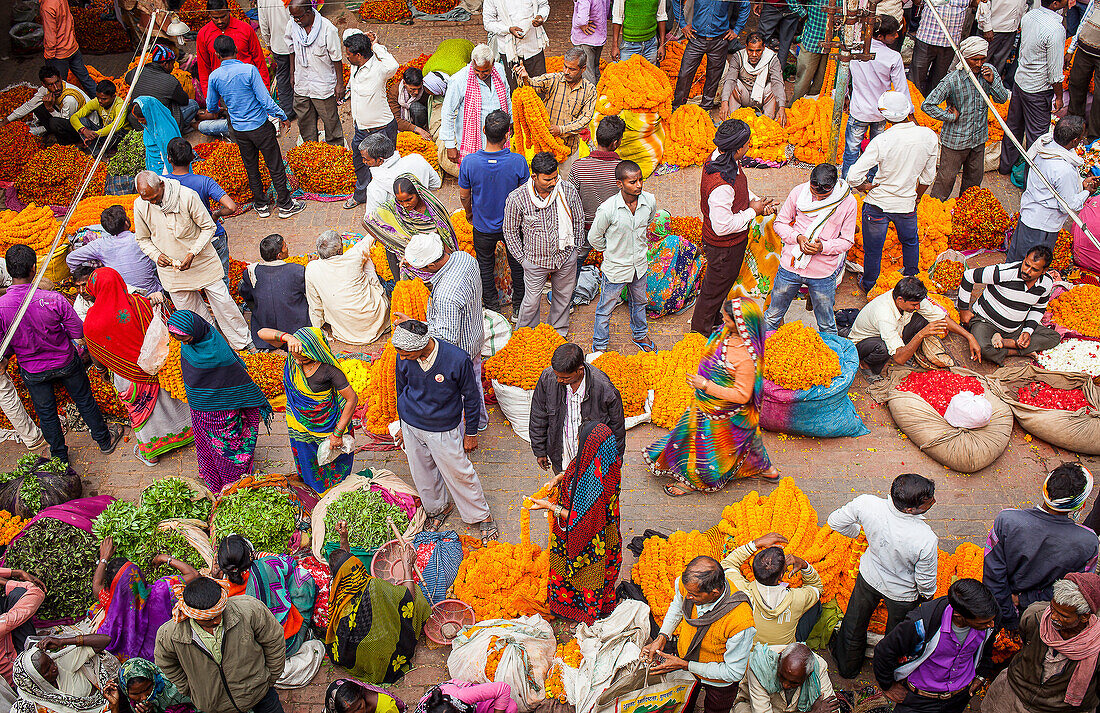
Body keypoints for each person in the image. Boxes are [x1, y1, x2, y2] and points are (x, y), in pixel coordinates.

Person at [0, 245, 122, 462]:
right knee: (84, 400)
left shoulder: (1, 307)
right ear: (34, 269)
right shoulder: (53, 299)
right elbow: (77, 332)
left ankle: (59, 456)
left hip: (32, 370)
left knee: (46, 413)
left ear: (9, 272)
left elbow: (4, 344)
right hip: (65, 362)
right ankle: (104, 440)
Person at [648, 299, 776, 495]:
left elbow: (742, 396)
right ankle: (765, 469)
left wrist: (706, 385)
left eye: (727, 319)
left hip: (725, 412)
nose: (723, 320)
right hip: (707, 403)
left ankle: (694, 480)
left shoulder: (746, 359)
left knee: (707, 446)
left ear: (741, 324)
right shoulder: (729, 333)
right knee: (747, 439)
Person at [392, 320, 498, 540]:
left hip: (442, 428)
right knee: (423, 474)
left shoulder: (456, 359)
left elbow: (472, 397)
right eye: (400, 353)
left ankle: (481, 515)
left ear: (421, 346)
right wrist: (402, 424)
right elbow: (400, 389)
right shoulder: (403, 356)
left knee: (459, 472)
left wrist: (470, 432)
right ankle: (439, 508)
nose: (402, 358)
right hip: (411, 425)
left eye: (405, 354)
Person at [826, 473, 939, 679]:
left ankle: (847, 668)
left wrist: (857, 532)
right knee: (895, 637)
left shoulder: (866, 504)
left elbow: (835, 521)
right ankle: (886, 674)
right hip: (902, 594)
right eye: (928, 501)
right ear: (909, 509)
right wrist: (927, 598)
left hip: (869, 576)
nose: (934, 502)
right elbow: (925, 581)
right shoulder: (925, 538)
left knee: (854, 623)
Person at [84, 268, 194, 467]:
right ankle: (189, 432)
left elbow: (95, 352)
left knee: (143, 410)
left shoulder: (91, 322)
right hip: (157, 364)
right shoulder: (139, 303)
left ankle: (151, 454)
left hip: (128, 374)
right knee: (170, 399)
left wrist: (101, 372)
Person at [133, 171, 251, 350]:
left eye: (155, 197)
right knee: (191, 311)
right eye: (148, 200)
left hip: (201, 260)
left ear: (162, 186)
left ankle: (243, 342)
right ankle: (212, 343)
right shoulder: (141, 205)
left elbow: (208, 227)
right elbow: (142, 239)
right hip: (171, 270)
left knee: (223, 302)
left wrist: (193, 253)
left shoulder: (187, 196)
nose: (153, 202)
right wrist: (157, 256)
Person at [165, 310, 273, 492]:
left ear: (195, 329)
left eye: (185, 338)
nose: (183, 343)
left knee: (226, 445)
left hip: (220, 409)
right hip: (200, 406)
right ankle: (213, 475)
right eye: (179, 339)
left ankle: (233, 480)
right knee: (207, 442)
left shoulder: (215, 350)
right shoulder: (192, 341)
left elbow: (234, 373)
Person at [984, 464, 1099, 631]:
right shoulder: (1089, 542)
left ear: (1045, 490)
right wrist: (1023, 600)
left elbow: (993, 574)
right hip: (1043, 617)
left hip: (998, 608)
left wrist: (1008, 615)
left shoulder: (1007, 520)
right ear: (1081, 505)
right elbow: (1072, 589)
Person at [528, 422, 622, 624]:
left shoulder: (594, 485)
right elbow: (575, 468)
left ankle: (578, 612)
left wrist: (549, 507)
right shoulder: (604, 463)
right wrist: (558, 479)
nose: (578, 443)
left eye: (581, 440)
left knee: (584, 576)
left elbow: (580, 518)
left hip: (589, 542)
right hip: (604, 533)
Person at [689, 120, 777, 336]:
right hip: (723, 247)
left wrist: (756, 201)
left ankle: (711, 318)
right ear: (737, 148)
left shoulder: (723, 158)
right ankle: (700, 330)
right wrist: (752, 211)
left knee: (717, 287)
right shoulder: (721, 185)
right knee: (712, 289)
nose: (749, 147)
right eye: (747, 144)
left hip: (726, 246)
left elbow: (740, 191)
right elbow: (723, 226)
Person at [848, 91, 939, 293]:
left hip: (878, 205)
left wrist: (864, 186)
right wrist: (917, 197)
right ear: (908, 111)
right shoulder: (929, 136)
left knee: (874, 250)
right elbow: (927, 178)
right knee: (910, 242)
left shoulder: (883, 140)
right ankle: (911, 281)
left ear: (885, 116)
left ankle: (869, 284)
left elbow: (853, 175)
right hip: (907, 204)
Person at [206, 35, 305, 220]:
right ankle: (285, 205)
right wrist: (282, 115)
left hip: (239, 131)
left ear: (217, 55)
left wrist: (226, 107)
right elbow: (265, 100)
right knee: (275, 165)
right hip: (260, 126)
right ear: (236, 50)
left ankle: (261, 205)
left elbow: (211, 107)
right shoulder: (249, 70)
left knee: (251, 167)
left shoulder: (215, 77)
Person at [640, 556, 756, 713]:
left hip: (719, 682)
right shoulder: (688, 585)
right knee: (684, 701)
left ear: (714, 593)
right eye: (687, 592)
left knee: (716, 709)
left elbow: (733, 672)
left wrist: (686, 665)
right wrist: (662, 636)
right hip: (687, 659)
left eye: (694, 595)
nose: (688, 597)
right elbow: (677, 605)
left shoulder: (740, 621)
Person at [153, 577, 286, 713]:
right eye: (209, 618)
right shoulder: (169, 635)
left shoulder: (250, 610)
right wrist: (188, 688)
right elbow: (166, 662)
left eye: (219, 613)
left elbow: (274, 641)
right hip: (217, 707)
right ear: (193, 615)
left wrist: (270, 677)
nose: (217, 621)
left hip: (261, 695)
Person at [324, 521, 430, 683]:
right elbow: (408, 598)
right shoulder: (374, 586)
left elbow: (347, 563)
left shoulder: (338, 589)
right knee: (418, 596)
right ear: (357, 565)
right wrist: (407, 565)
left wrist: (344, 538)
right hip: (379, 648)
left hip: (352, 652)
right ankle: (391, 653)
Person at [873, 579, 999, 713]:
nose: (991, 625)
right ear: (958, 615)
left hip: (959, 697)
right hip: (920, 700)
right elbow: (884, 651)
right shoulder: (921, 624)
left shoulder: (989, 618)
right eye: (984, 622)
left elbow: (987, 651)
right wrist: (888, 686)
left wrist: (981, 675)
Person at [979, 574, 1100, 713]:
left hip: (1056, 709)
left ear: (1084, 617)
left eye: (1063, 616)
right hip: (1014, 692)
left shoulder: (1096, 645)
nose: (1053, 617)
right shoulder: (1035, 616)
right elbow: (1025, 641)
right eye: (1053, 608)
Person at [257, 327, 358, 493]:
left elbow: (352, 399)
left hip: (327, 425)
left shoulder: (329, 371)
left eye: (304, 360)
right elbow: (261, 333)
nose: (297, 362)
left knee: (334, 464)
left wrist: (338, 433)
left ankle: (336, 495)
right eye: (295, 357)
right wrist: (287, 337)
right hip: (299, 424)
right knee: (308, 462)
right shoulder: (293, 352)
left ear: (315, 353)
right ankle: (316, 493)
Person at [404, 231, 488, 429]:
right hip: (474, 334)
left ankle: (465, 431)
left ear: (432, 265)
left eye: (423, 268)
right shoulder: (463, 257)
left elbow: (446, 337)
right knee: (474, 382)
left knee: (458, 391)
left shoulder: (445, 296)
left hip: (459, 350)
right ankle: (480, 421)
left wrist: (417, 327)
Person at [764, 164, 857, 335]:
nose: (819, 199)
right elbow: (780, 223)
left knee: (827, 324)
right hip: (790, 267)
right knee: (772, 316)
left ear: (835, 186)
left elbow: (847, 240)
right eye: (815, 193)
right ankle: (761, 352)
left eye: (824, 196)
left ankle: (830, 356)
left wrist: (823, 247)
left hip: (822, 273)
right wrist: (797, 238)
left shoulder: (848, 202)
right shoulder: (799, 192)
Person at [503, 152, 584, 336]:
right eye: (548, 179)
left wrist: (575, 250)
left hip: (564, 257)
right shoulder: (518, 198)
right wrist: (523, 259)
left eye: (555, 177)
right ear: (534, 177)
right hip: (534, 261)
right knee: (531, 302)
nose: (553, 182)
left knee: (563, 298)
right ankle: (526, 336)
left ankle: (557, 333)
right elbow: (510, 231)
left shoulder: (568, 191)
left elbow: (579, 221)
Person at [458, 110, 529, 313]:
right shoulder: (518, 161)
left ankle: (492, 308)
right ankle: (518, 308)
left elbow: (464, 195)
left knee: (485, 267)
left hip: (482, 226)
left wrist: (469, 212)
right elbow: (524, 196)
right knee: (517, 265)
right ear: (508, 134)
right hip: (512, 226)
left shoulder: (469, 162)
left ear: (483, 131)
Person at [924, 38, 1009, 201]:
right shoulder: (952, 79)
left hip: (978, 139)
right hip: (956, 140)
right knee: (946, 180)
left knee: (974, 181)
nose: (978, 64)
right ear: (964, 58)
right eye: (974, 59)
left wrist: (993, 83)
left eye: (982, 59)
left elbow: (1002, 99)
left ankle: (966, 209)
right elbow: (928, 105)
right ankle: (935, 208)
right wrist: (949, 116)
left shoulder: (988, 72)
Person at [589, 159, 659, 352]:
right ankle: (600, 346)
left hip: (639, 267)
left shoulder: (649, 201)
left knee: (639, 302)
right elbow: (594, 238)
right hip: (616, 269)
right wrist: (611, 250)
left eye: (640, 180)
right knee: (605, 309)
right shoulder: (608, 209)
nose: (638, 185)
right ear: (620, 184)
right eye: (632, 182)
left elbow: (649, 220)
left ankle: (640, 334)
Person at [89, 538, 194, 663]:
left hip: (137, 668)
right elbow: (193, 575)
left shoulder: (111, 604)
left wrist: (104, 558)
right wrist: (164, 558)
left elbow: (97, 586)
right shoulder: (160, 591)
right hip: (167, 657)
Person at [850, 277, 980, 378]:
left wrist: (969, 336)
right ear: (900, 300)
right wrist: (921, 334)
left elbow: (940, 318)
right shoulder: (884, 316)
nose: (917, 307)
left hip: (893, 332)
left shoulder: (910, 298)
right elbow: (899, 359)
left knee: (924, 318)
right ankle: (867, 366)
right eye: (914, 305)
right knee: (883, 348)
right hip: (865, 343)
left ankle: (904, 348)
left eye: (918, 304)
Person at [1012, 117, 1100, 261]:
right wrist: (1087, 192)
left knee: (1016, 258)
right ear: (1074, 141)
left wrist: (1081, 183)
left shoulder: (1045, 143)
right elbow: (1068, 206)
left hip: (1029, 214)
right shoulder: (1063, 169)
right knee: (1029, 266)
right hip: (1042, 225)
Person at [213, 535, 317, 656]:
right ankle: (304, 631)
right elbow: (290, 563)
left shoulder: (223, 590)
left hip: (262, 653)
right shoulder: (269, 564)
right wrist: (258, 554)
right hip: (287, 643)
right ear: (248, 555)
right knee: (301, 576)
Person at [530, 343, 627, 473]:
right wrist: (540, 450)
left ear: (580, 370)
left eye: (565, 378)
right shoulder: (548, 378)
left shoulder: (604, 388)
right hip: (562, 452)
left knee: (588, 490)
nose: (559, 380)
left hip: (593, 459)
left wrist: (613, 463)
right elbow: (538, 415)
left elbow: (617, 428)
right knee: (563, 488)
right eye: (557, 376)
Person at [957, 246, 1062, 365]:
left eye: (1034, 269)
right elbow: (968, 276)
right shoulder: (1005, 272)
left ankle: (1006, 343)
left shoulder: (1046, 283)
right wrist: (964, 310)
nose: (1027, 271)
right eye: (1026, 264)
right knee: (982, 348)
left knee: (1054, 337)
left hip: (1015, 328)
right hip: (986, 321)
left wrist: (1027, 331)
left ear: (1044, 271)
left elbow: (1039, 307)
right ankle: (1015, 350)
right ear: (1024, 259)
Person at [997, 0, 1068, 174]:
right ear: (1055, 4)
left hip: (1021, 82)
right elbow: (1054, 72)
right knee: (1037, 139)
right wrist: (1058, 97)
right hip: (1038, 89)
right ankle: (1031, 180)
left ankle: (1005, 166)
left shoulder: (1029, 16)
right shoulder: (1056, 30)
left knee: (1013, 128)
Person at [722, 534, 823, 645]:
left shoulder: (740, 591)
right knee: (815, 604)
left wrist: (756, 543)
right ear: (781, 576)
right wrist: (804, 565)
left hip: (750, 653)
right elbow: (816, 587)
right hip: (784, 654)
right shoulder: (798, 598)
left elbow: (727, 564)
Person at [842, 16, 907, 178]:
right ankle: (872, 180)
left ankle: (846, 182)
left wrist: (844, 97)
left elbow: (843, 78)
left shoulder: (855, 50)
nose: (897, 36)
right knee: (876, 151)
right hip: (881, 112)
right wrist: (907, 113)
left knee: (851, 150)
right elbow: (901, 89)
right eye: (893, 34)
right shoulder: (893, 57)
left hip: (859, 111)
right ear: (880, 36)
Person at [165, 138, 236, 284]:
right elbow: (231, 207)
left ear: (169, 159)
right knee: (220, 281)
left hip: (181, 241)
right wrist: (216, 214)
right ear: (192, 157)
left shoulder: (163, 184)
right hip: (212, 237)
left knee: (190, 282)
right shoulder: (204, 181)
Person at [344, 30, 400, 211]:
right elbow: (349, 33)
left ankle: (391, 198)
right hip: (361, 128)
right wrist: (365, 37)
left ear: (359, 55)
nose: (347, 58)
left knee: (386, 164)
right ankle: (361, 195)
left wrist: (375, 45)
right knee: (360, 163)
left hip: (382, 129)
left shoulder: (379, 69)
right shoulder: (355, 66)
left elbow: (394, 65)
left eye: (349, 55)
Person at [304, 230, 388, 346]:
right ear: (339, 251)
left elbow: (315, 305)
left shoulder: (311, 268)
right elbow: (369, 239)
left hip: (345, 330)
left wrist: (318, 329)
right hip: (374, 318)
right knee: (366, 258)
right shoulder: (354, 255)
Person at [366, 176, 457, 284]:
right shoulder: (395, 208)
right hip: (411, 258)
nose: (405, 204)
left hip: (433, 258)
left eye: (409, 199)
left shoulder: (433, 209)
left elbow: (445, 236)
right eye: (400, 201)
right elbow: (367, 221)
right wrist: (393, 243)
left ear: (417, 192)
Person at [439, 45, 512, 178]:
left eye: (485, 71)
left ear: (493, 63)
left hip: (498, 134)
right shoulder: (459, 80)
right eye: (477, 70)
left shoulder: (500, 70)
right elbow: (447, 112)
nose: (480, 74)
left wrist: (510, 121)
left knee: (498, 171)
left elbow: (507, 95)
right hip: (473, 138)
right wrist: (450, 145)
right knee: (476, 175)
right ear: (472, 62)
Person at [516, 48, 598, 165]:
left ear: (583, 69)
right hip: (545, 147)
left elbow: (585, 120)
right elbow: (534, 84)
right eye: (565, 66)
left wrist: (561, 130)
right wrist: (525, 78)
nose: (566, 72)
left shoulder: (589, 90)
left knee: (566, 182)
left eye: (572, 69)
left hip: (569, 148)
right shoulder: (554, 79)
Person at [66, 204, 165, 298]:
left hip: (123, 298)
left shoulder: (100, 245)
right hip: (152, 294)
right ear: (126, 222)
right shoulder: (140, 238)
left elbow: (71, 259)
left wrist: (86, 275)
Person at [285, 0, 344, 148]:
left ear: (309, 12)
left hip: (322, 83)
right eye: (294, 18)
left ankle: (335, 149)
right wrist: (292, 72)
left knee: (330, 120)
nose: (297, 21)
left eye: (299, 17)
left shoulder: (327, 29)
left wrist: (340, 84)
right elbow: (291, 50)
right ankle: (311, 149)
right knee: (304, 119)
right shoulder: (292, 25)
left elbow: (336, 58)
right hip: (302, 81)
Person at [238, 234, 310, 352]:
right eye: (285, 246)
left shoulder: (251, 272)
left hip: (264, 330)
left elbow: (246, 294)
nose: (288, 247)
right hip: (295, 328)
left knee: (244, 287)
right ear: (279, 255)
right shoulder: (297, 270)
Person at [570, 115, 625, 264]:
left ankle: (572, 287)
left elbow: (570, 200)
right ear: (615, 143)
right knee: (615, 265)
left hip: (584, 229)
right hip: (613, 230)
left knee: (577, 262)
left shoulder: (578, 166)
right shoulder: (623, 170)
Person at [10, 639, 119, 713]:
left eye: (50, 661)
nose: (54, 667)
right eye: (47, 670)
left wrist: (63, 641)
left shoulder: (63, 664)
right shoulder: (32, 705)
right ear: (37, 681)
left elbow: (105, 640)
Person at [671, 0, 736, 111]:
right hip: (696, 38)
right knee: (684, 74)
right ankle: (677, 109)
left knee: (713, 78)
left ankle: (705, 110)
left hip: (719, 40)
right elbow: (677, 1)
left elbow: (744, 5)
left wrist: (737, 29)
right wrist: (682, 24)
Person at [732, 643, 836, 713]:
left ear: (808, 676)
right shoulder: (759, 667)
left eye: (794, 683)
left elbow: (832, 708)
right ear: (779, 661)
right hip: (751, 707)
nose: (785, 685)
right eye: (781, 676)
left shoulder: (818, 668)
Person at [196, 0, 270, 97]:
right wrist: (210, 98)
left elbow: (259, 60)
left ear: (229, 11)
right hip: (223, 92)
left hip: (249, 88)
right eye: (215, 18)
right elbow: (204, 69)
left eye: (223, 16)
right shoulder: (203, 34)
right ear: (209, 15)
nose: (220, 21)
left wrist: (265, 89)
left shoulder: (245, 29)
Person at [0, 65, 87, 145]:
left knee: (55, 123)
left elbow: (63, 121)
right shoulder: (44, 90)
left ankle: (70, 142)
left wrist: (50, 109)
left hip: (84, 127)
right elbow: (29, 105)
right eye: (50, 84)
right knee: (38, 107)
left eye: (57, 82)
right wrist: (6, 121)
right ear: (44, 84)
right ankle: (53, 133)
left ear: (60, 79)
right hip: (67, 118)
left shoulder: (69, 99)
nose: (56, 88)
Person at [359, 134, 443, 216]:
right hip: (429, 214)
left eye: (366, 159)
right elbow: (436, 183)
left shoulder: (375, 187)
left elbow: (372, 220)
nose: (364, 162)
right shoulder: (417, 159)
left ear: (380, 160)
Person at [125, 45, 199, 134]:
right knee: (193, 105)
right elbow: (184, 101)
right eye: (172, 64)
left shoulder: (137, 71)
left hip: (136, 123)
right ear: (165, 64)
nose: (172, 67)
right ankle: (178, 129)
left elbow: (126, 79)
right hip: (159, 125)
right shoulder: (170, 80)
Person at [720, 33, 787, 123]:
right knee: (734, 83)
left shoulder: (771, 58)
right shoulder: (738, 57)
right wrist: (724, 102)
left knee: (772, 86)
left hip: (762, 97)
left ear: (764, 47)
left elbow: (778, 82)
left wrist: (782, 107)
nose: (754, 54)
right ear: (746, 47)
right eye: (751, 50)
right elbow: (730, 80)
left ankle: (768, 120)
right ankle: (734, 118)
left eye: (758, 51)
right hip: (744, 95)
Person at [483, 0, 549, 91]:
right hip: (510, 52)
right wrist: (508, 29)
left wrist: (541, 16)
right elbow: (488, 23)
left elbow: (544, 5)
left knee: (540, 86)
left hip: (533, 46)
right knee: (516, 90)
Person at [908, 0, 970, 94]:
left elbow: (975, 4)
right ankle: (914, 103)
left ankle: (930, 105)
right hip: (926, 38)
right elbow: (917, 2)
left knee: (938, 81)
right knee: (916, 78)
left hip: (950, 42)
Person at [38, 0, 96, 97]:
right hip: (72, 47)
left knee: (58, 88)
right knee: (86, 79)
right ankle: (103, 102)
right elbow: (70, 19)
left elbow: (50, 38)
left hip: (59, 55)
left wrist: (49, 58)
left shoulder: (47, 7)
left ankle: (64, 109)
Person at [0, 568, 43, 686]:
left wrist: (16, 573)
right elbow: (36, 592)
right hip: (15, 677)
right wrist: (7, 582)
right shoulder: (4, 623)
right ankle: (30, 656)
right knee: (21, 592)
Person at [106, 658, 194, 713]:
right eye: (136, 694)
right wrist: (114, 705)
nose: (144, 697)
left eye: (148, 688)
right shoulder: (125, 700)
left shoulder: (177, 687)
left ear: (154, 679)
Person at [257, 0, 295, 121]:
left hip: (278, 44)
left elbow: (263, 23)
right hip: (296, 42)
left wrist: (268, 41)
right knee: (300, 73)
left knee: (283, 77)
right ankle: (305, 108)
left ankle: (288, 111)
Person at [1067, 1, 1100, 141]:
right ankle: (1073, 129)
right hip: (1084, 48)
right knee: (1076, 85)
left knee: (1099, 97)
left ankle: (1094, 137)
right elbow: (1085, 19)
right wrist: (1071, 49)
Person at [70, 79, 129, 154]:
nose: (100, 101)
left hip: (120, 136)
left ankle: (107, 149)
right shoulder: (96, 102)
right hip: (104, 133)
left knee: (117, 130)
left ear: (113, 97)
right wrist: (84, 130)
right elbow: (73, 117)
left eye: (104, 99)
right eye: (98, 98)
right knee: (82, 120)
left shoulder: (120, 105)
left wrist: (96, 134)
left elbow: (116, 126)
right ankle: (97, 153)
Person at [790, 0, 830, 103]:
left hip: (832, 42)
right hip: (812, 40)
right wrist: (803, 13)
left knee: (822, 82)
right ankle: (794, 108)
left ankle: (811, 110)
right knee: (803, 80)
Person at [387, 67, 443, 139]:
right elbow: (395, 120)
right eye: (413, 89)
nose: (416, 92)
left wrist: (423, 129)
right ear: (404, 83)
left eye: (419, 89)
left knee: (416, 107)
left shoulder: (425, 90)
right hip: (405, 123)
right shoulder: (395, 91)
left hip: (421, 121)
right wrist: (416, 129)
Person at [131, 96, 182, 176]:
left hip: (163, 168)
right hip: (155, 164)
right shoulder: (150, 125)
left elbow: (168, 157)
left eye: (141, 120)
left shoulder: (163, 132)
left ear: (148, 116)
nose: (140, 122)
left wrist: (164, 176)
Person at [976, 0, 1028, 74]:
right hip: (993, 28)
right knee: (979, 62)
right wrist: (987, 27)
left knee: (998, 65)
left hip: (1011, 29)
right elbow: (983, 4)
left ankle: (992, 84)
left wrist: (1021, 22)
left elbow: (1023, 4)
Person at [572, 0, 611, 85]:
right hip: (599, 36)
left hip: (585, 39)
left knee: (587, 73)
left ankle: (591, 96)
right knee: (595, 68)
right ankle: (599, 92)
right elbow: (607, 12)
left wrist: (580, 24)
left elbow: (582, 20)